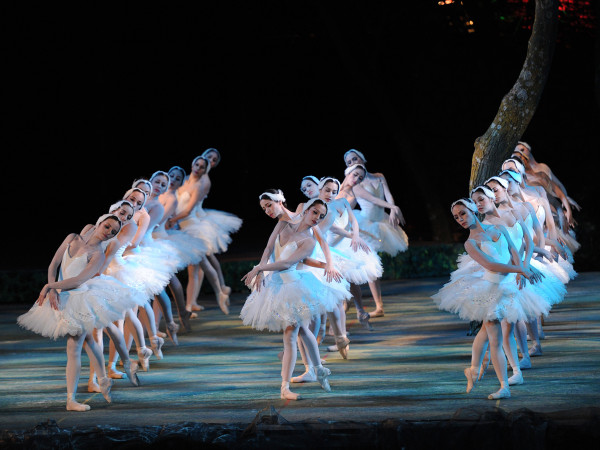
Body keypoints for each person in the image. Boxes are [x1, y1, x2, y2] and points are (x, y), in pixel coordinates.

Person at [18, 214, 144, 411]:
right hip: (60, 295)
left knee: (74, 345)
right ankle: (103, 380)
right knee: (88, 341)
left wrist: (50, 286)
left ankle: (72, 399)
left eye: (113, 231)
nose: (108, 232)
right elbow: (54, 264)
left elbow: (77, 281)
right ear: (99, 223)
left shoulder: (98, 254)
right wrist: (52, 288)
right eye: (107, 226)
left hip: (79, 298)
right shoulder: (72, 238)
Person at [241, 199, 350, 400]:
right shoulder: (283, 223)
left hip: (293, 285)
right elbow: (269, 248)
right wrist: (261, 268)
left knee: (291, 335)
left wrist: (259, 269)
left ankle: (285, 388)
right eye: (315, 212)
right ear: (307, 210)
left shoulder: (310, 240)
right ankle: (318, 370)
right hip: (277, 284)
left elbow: (290, 262)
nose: (317, 218)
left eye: (321, 216)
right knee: (301, 331)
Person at [433, 199, 535, 400]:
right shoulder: (470, 243)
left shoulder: (498, 228)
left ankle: (472, 369)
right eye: (455, 217)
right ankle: (503, 386)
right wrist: (519, 269)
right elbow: (491, 265)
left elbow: (514, 250)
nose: (460, 219)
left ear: (472, 210)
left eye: (462, 213)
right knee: (494, 338)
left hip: (507, 287)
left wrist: (521, 268)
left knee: (487, 332)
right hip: (490, 289)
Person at [343, 149, 408, 317]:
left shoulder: (379, 176)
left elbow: (388, 196)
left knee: (371, 264)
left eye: (354, 159)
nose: (352, 163)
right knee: (368, 263)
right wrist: (392, 207)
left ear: (362, 158)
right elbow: (371, 200)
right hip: (366, 225)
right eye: (349, 162)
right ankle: (352, 301)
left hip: (381, 223)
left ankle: (377, 306)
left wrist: (393, 209)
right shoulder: (356, 185)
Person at [167, 155, 230, 314]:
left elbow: (188, 210)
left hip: (192, 227)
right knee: (193, 270)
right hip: (181, 226)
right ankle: (190, 305)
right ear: (192, 163)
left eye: (202, 167)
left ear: (205, 170)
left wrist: (172, 220)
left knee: (204, 263)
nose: (198, 168)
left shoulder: (199, 186)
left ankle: (219, 291)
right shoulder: (184, 179)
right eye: (197, 164)